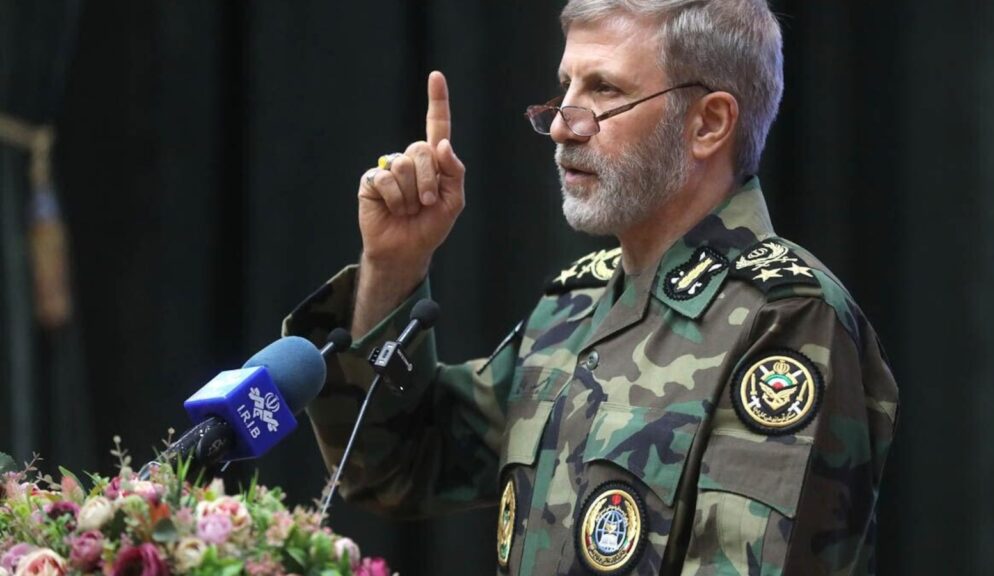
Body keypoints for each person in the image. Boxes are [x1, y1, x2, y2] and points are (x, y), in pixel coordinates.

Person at [283, 1, 899, 574]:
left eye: (604, 90)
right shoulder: (575, 304)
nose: (561, 126)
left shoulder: (786, 317)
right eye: (565, 87)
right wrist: (394, 265)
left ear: (708, 124)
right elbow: (394, 466)